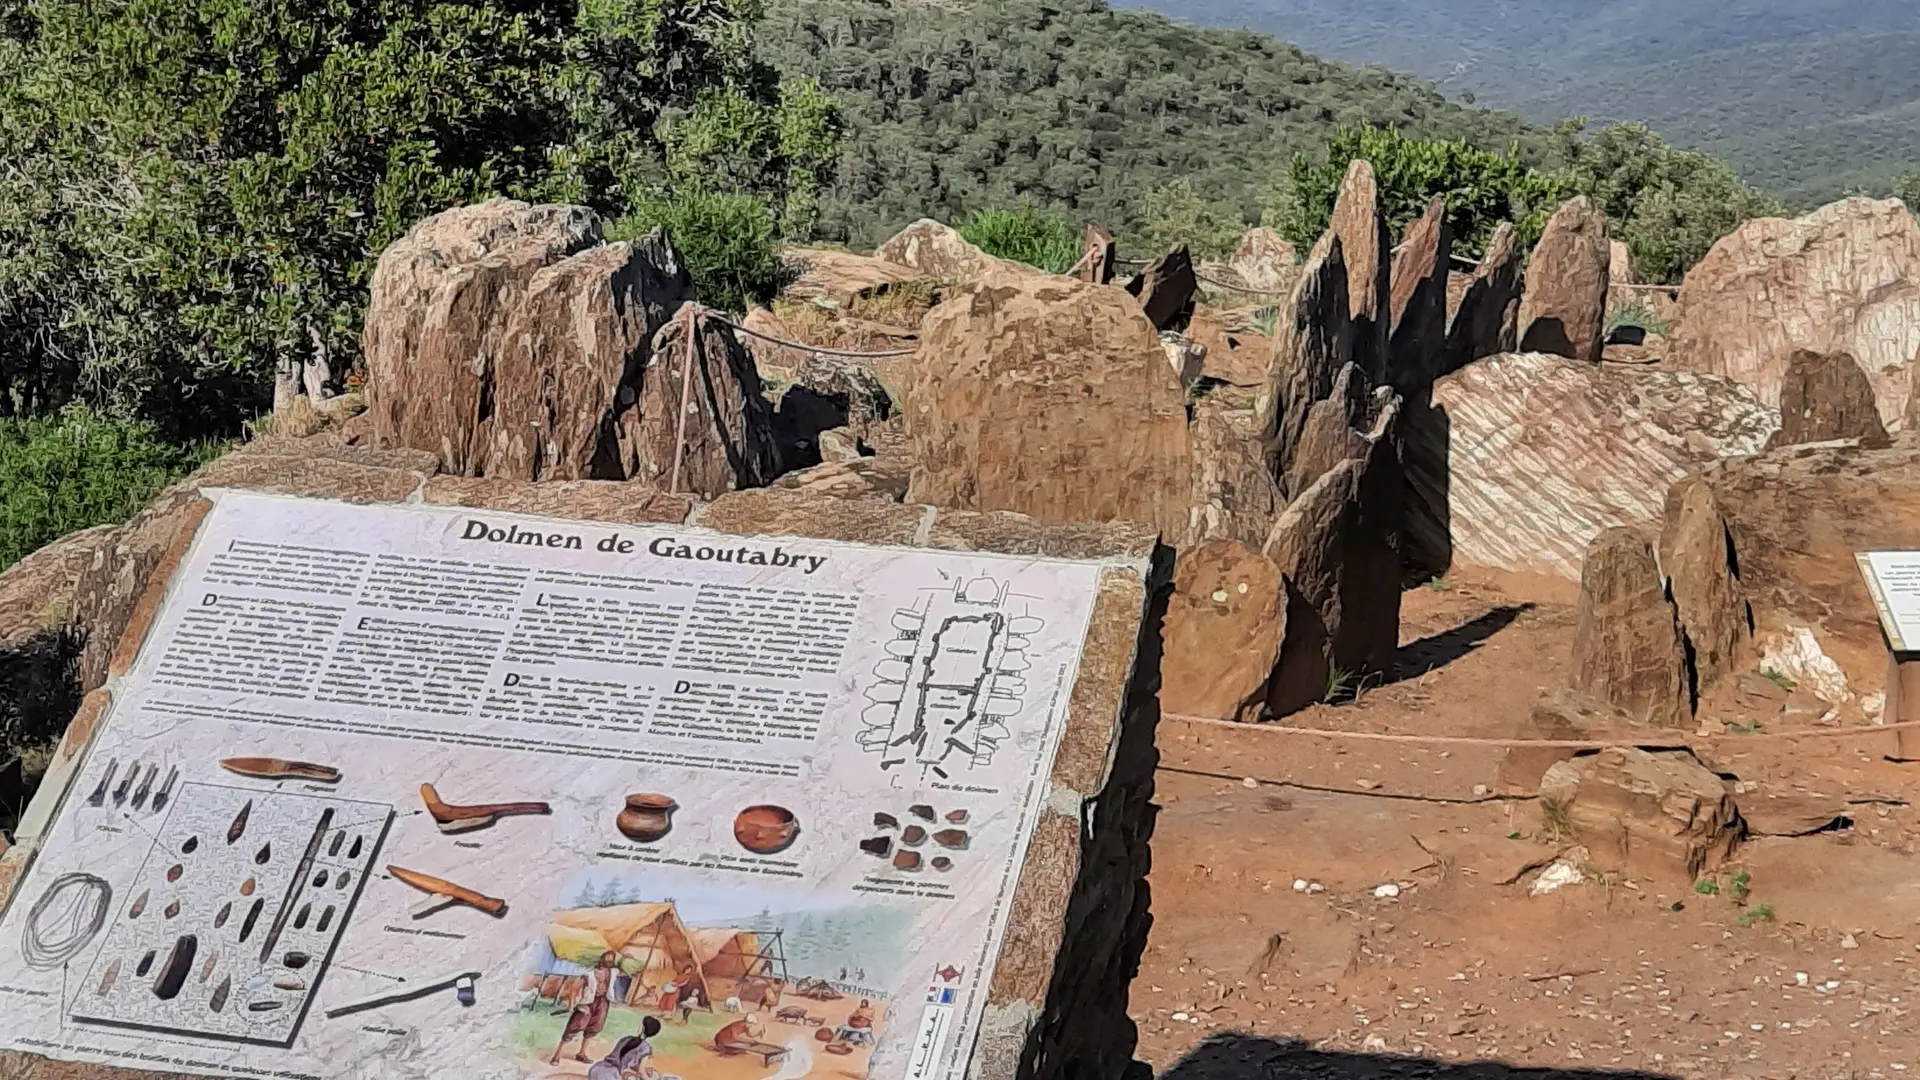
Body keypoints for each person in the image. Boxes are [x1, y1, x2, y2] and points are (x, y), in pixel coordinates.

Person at [552, 953, 620, 1065]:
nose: (608, 963)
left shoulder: (613, 972)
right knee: (575, 1026)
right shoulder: (590, 974)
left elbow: (629, 970)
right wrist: (571, 1006)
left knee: (594, 1028)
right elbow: (573, 988)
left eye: (610, 961)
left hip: (603, 1002)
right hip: (587, 1003)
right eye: (606, 960)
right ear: (600, 959)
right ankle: (557, 1055)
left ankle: (581, 1054)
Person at [588, 1016, 662, 1080]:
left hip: (596, 1070)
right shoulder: (646, 1048)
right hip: (611, 1076)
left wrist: (642, 1070)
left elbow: (622, 1060)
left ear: (643, 1028)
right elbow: (641, 1072)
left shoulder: (626, 1039)